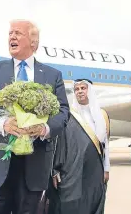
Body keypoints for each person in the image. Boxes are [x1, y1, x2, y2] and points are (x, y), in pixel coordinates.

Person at [0, 19, 70, 214]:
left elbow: (63, 112)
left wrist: (44, 128)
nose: (12, 37)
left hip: (34, 164)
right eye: (10, 33)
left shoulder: (52, 75)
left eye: (18, 33)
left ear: (33, 42)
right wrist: (2, 124)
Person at [46, 78, 109, 214]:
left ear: (90, 91)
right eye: (77, 89)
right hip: (72, 168)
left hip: (95, 168)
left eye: (83, 88)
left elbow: (105, 145)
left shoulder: (102, 115)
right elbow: (58, 144)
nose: (80, 92)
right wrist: (55, 170)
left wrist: (106, 168)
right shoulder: (68, 115)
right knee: (71, 203)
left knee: (93, 201)